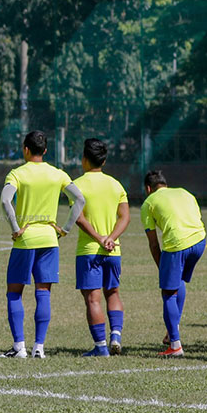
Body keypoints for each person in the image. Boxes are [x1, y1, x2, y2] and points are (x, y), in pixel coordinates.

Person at [0, 130, 85, 359]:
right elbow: (79, 199)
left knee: (14, 293)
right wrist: (65, 228)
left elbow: (5, 200)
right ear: (45, 151)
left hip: (26, 239)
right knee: (43, 293)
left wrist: (16, 227)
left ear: (25, 149)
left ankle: (19, 347)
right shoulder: (57, 174)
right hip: (49, 238)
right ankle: (39, 347)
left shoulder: (17, 173)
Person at [72, 138, 130, 357]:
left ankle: (101, 347)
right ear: (104, 160)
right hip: (113, 250)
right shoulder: (116, 184)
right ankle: (116, 335)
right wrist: (111, 238)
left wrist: (98, 238)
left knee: (93, 299)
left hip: (89, 251)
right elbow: (125, 217)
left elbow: (78, 218)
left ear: (84, 159)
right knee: (113, 292)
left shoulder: (76, 184)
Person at [141, 170, 205, 358]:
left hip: (177, 244)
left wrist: (163, 268)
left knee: (168, 292)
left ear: (148, 188)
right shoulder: (185, 192)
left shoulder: (148, 203)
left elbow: (154, 243)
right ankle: (172, 330)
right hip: (200, 241)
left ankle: (175, 346)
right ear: (165, 184)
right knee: (178, 281)